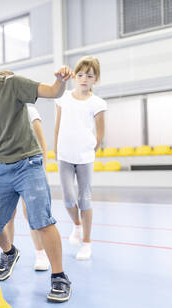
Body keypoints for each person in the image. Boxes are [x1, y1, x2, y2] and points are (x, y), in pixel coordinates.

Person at [0, 40, 72, 303]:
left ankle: (59, 276)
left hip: (28, 164)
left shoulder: (14, 85)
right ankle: (9, 252)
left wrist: (61, 80)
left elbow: (53, 91)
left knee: (41, 220)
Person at [0, 70, 50, 271]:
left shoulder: (29, 110)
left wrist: (42, 170)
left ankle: (40, 254)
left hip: (27, 168)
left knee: (31, 212)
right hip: (4, 169)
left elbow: (41, 143)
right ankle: (8, 254)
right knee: (7, 215)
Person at [54, 56, 106, 260]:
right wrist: (57, 150)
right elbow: (57, 126)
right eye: (81, 75)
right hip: (65, 156)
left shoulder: (98, 103)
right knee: (68, 198)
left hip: (85, 157)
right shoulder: (63, 98)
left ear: (96, 79)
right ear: (75, 76)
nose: (85, 79)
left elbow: (100, 133)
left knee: (85, 200)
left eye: (90, 76)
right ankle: (76, 225)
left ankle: (87, 242)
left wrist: (91, 151)